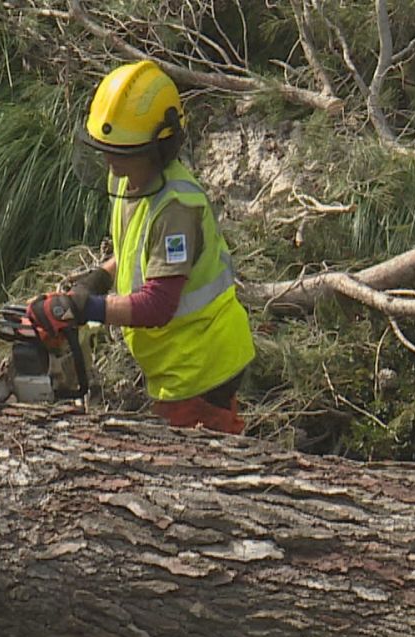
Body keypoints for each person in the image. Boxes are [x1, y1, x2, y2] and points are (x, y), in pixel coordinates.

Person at [27, 60, 256, 435]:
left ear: (158, 146)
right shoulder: (127, 180)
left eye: (121, 150)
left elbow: (158, 303)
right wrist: (98, 277)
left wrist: (86, 309)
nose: (109, 158)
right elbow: (136, 250)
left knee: (196, 472)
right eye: (105, 148)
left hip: (201, 365)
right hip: (175, 363)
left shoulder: (177, 207)